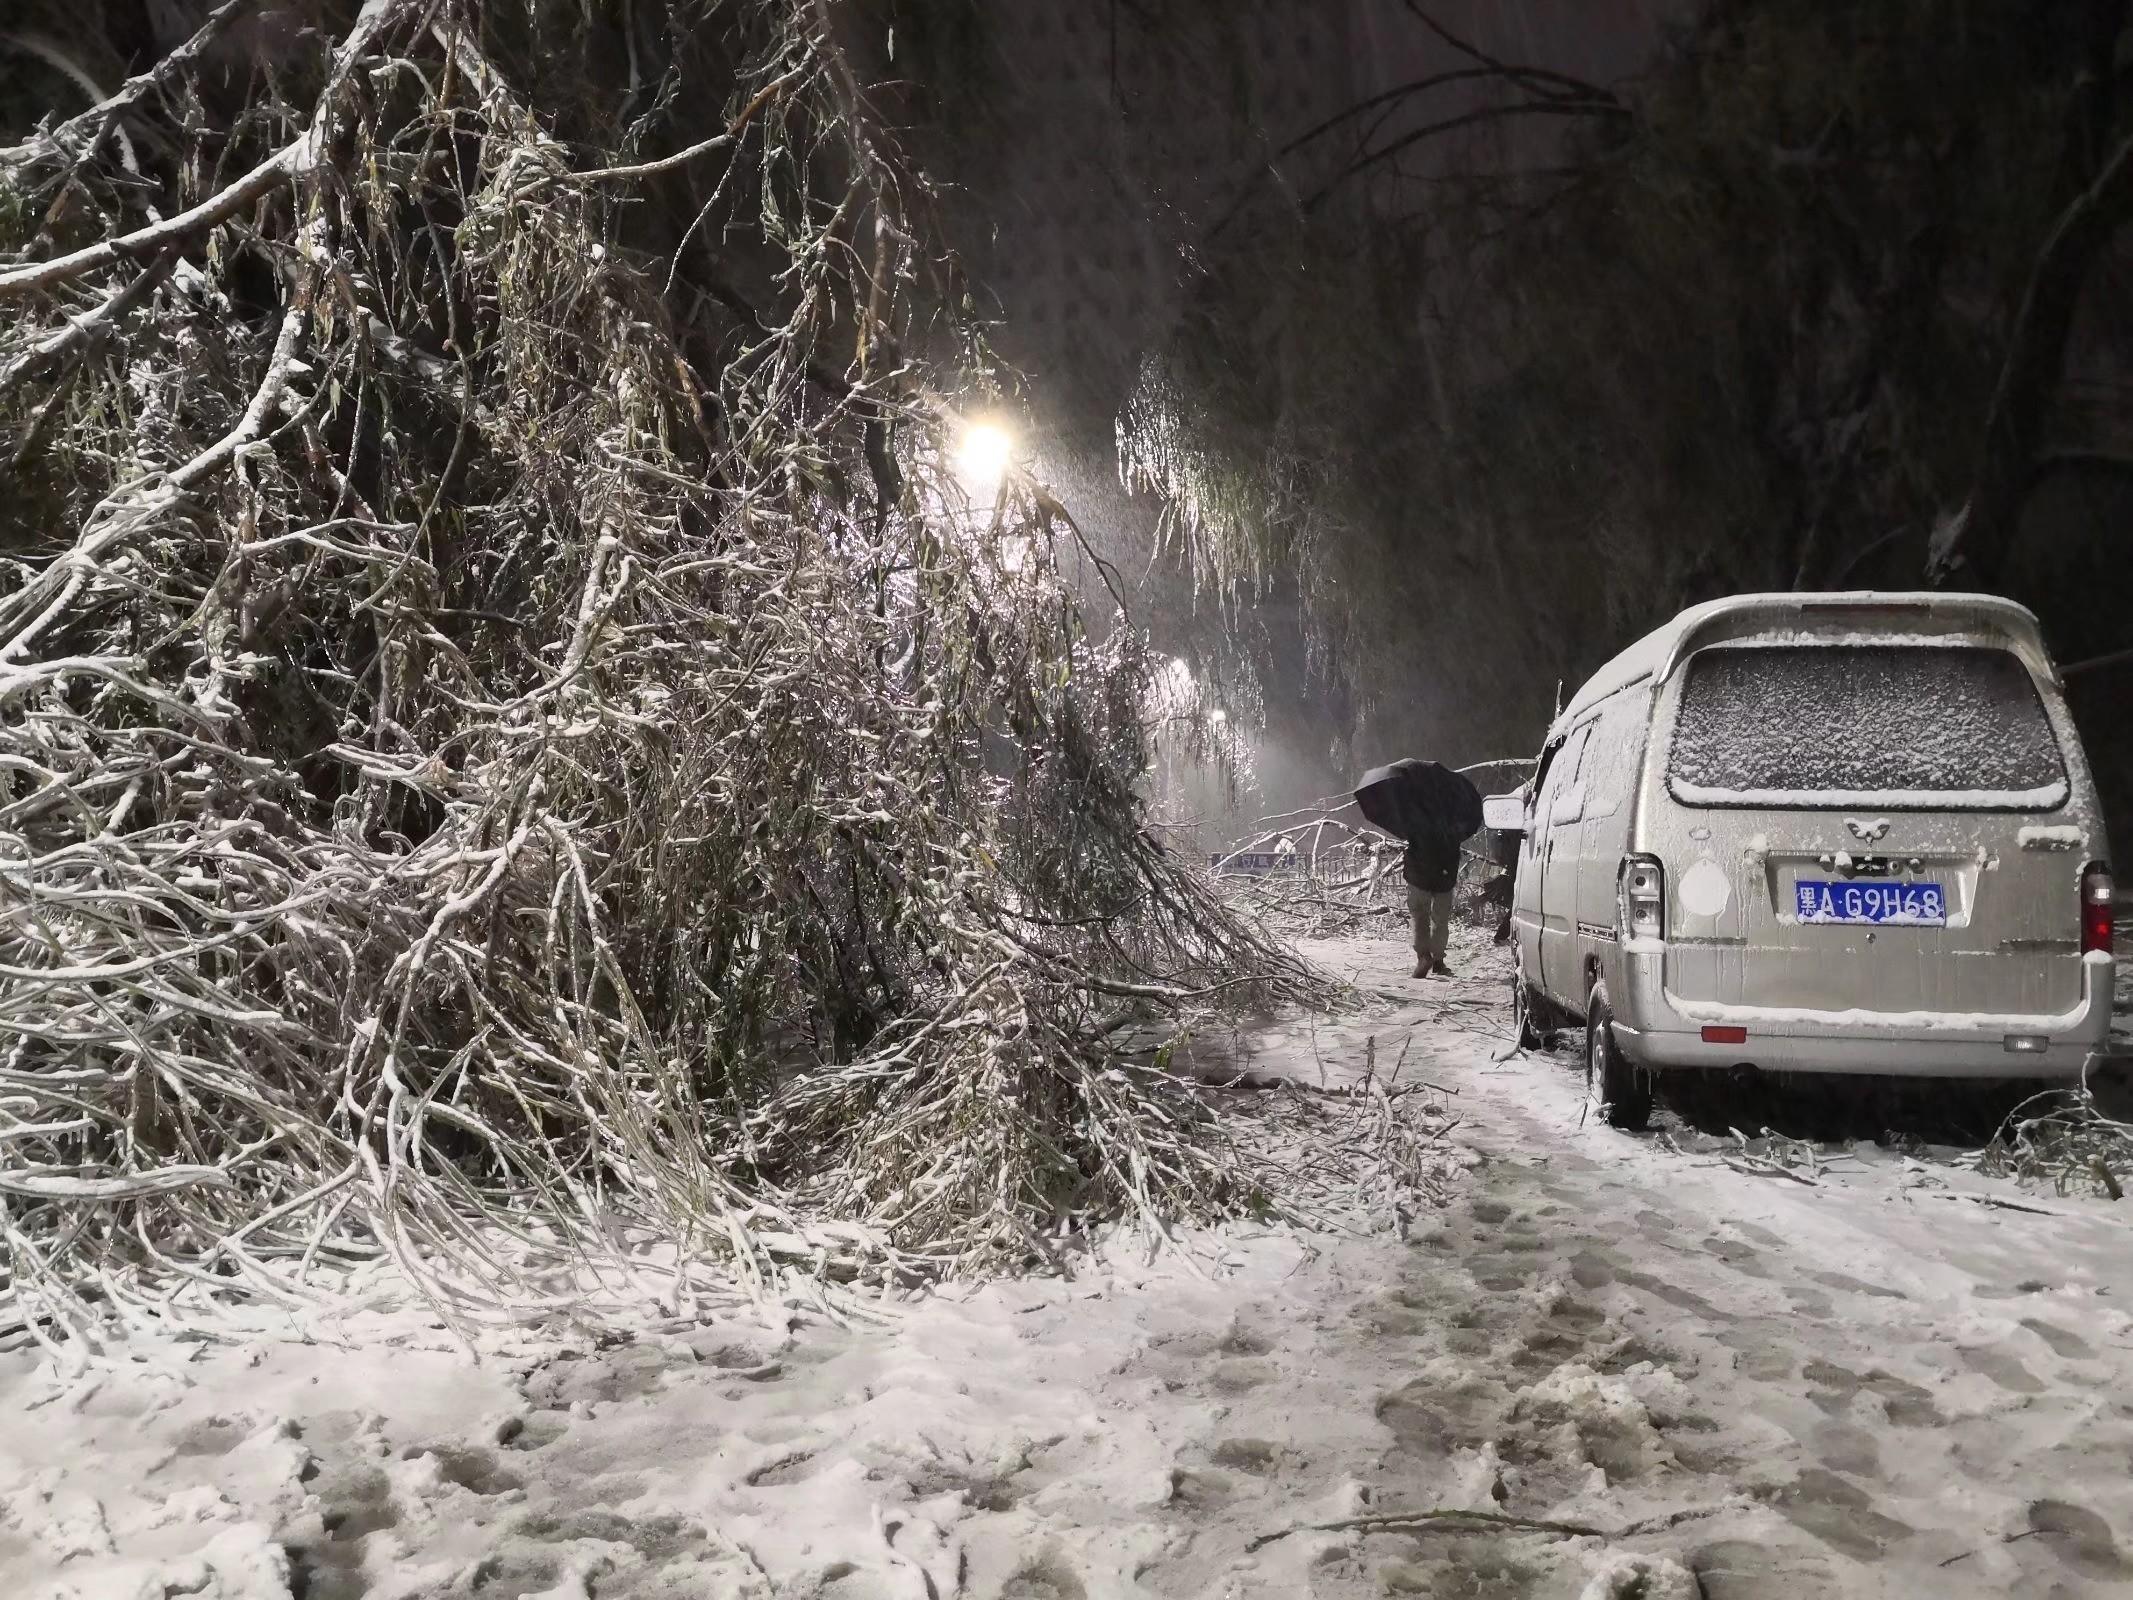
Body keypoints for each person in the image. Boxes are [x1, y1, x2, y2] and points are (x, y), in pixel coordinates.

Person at [1404, 824, 1464, 978]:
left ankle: (1423, 956)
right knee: (1440, 919)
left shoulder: (1413, 810)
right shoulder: (1454, 812)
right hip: (1445, 872)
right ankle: (1438, 961)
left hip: (1418, 873)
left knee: (1419, 917)